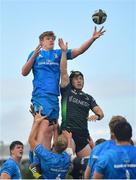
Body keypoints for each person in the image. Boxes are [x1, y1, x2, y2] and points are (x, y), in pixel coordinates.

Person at [22, 27, 105, 150]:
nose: (51, 41)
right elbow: (24, 72)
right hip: (41, 96)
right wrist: (33, 56)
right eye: (48, 39)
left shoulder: (59, 53)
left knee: (52, 130)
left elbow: (79, 50)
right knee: (43, 126)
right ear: (41, 42)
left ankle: (45, 162)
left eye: (53, 39)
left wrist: (92, 39)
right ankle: (35, 163)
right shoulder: (35, 54)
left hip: (54, 98)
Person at [59, 38, 104, 160]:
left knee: (90, 166)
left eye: (81, 78)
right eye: (76, 78)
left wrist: (98, 116)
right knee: (68, 161)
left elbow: (100, 112)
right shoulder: (67, 90)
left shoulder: (88, 98)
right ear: (71, 81)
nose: (79, 81)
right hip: (68, 133)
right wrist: (64, 52)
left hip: (84, 136)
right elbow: (63, 71)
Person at [28, 110, 74, 179]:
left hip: (40, 171)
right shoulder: (66, 158)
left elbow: (31, 141)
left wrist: (36, 122)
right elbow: (68, 149)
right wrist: (56, 130)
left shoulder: (47, 156)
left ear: (53, 145)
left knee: (34, 166)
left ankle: (36, 175)